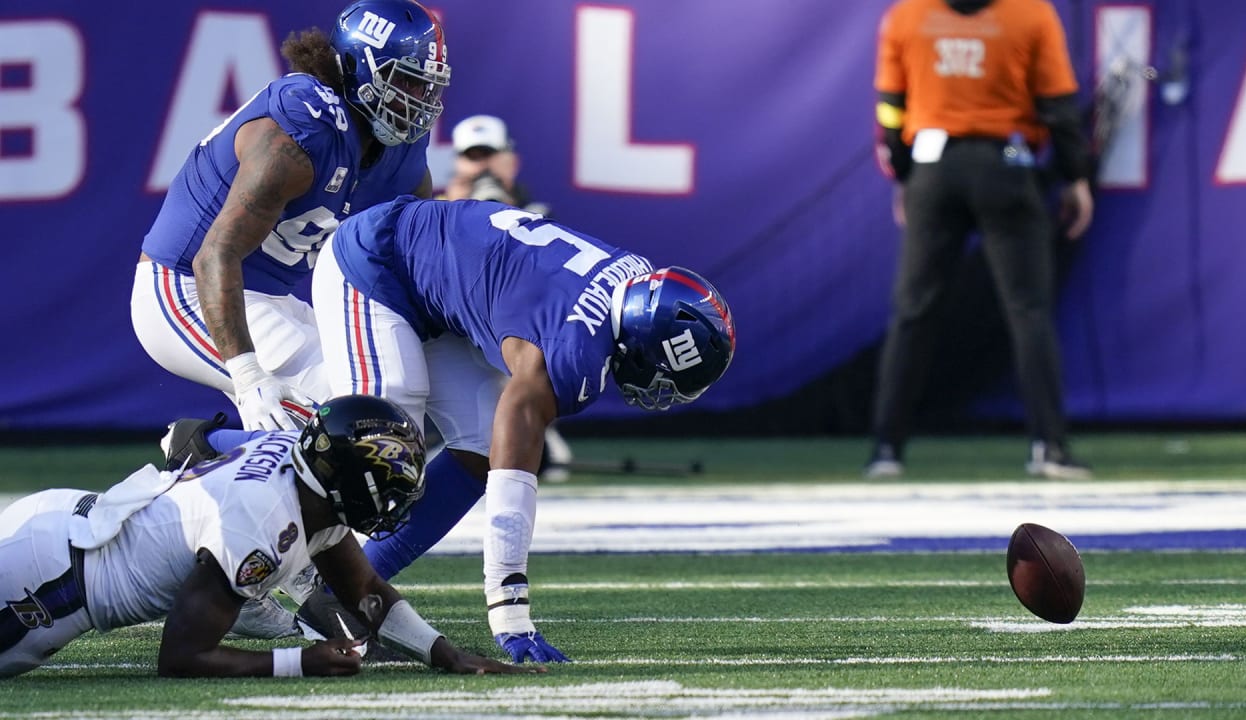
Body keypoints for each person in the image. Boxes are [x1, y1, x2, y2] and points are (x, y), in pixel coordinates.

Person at [295, 195, 736, 662]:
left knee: (482, 442)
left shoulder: (633, 281)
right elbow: (516, 451)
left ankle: (336, 592)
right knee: (381, 444)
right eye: (667, 374)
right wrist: (509, 606)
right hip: (376, 264)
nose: (661, 387)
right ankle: (275, 569)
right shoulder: (575, 349)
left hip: (429, 283)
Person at [0, 395, 538, 679]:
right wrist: (299, 663)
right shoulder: (262, 525)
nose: (394, 503)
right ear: (348, 481)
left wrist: (441, 653)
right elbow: (181, 657)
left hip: (65, 520)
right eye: (388, 488)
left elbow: (363, 589)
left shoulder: (308, 482)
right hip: (50, 582)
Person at [130, 0, 451, 432]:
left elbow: (412, 260)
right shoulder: (302, 130)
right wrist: (248, 377)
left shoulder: (401, 153)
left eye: (426, 87)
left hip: (271, 299)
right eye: (406, 83)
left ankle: (227, 461)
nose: (419, 101)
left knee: (374, 395)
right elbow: (216, 254)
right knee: (339, 422)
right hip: (185, 288)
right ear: (359, 68)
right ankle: (199, 447)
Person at [865, 0, 1094, 480]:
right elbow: (1057, 103)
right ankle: (1048, 445)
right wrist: (1075, 177)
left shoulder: (908, 15)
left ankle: (886, 449)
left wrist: (906, 177)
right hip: (1004, 164)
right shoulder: (1030, 13)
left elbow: (890, 106)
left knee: (913, 311)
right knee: (1028, 310)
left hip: (933, 167)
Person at [442, 114, 571, 481]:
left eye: (490, 154)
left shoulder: (540, 218)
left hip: (511, 341)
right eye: (472, 156)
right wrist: (456, 213)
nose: (482, 165)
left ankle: (532, 419)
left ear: (510, 160)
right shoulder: (433, 214)